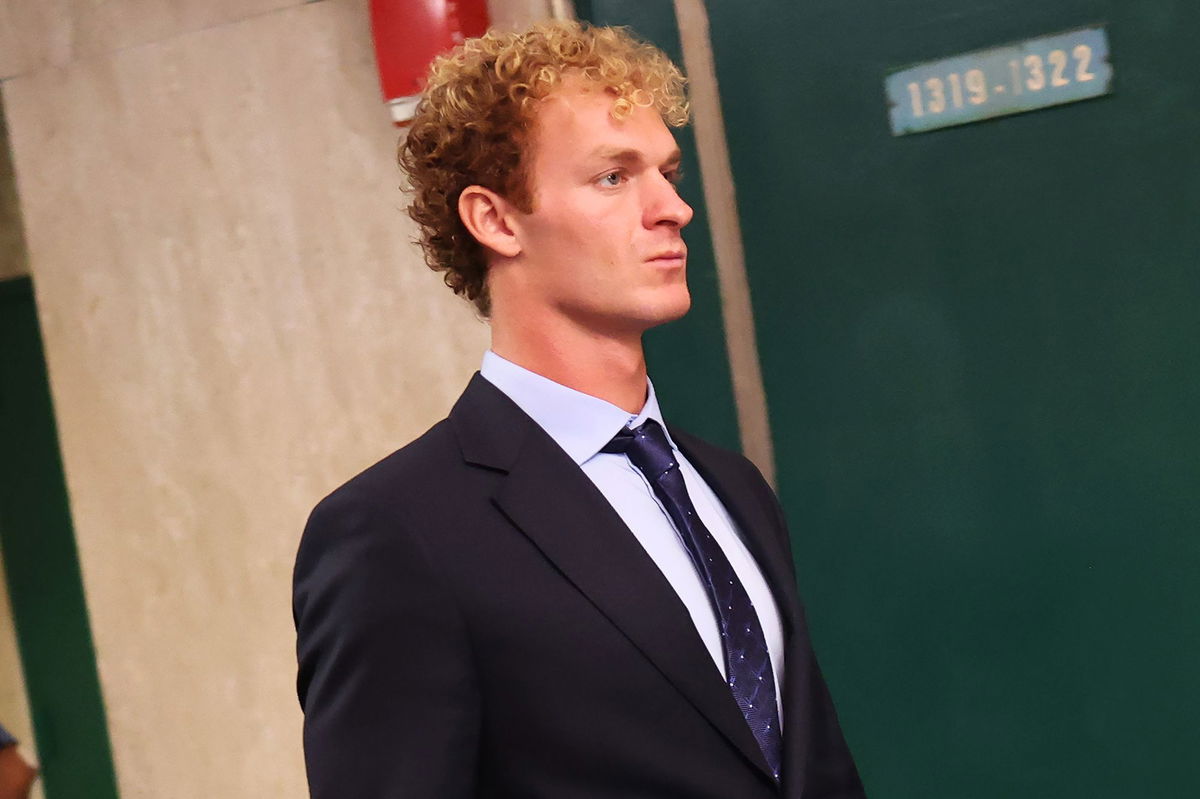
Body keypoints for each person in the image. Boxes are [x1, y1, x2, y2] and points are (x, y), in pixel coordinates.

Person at [293, 20, 865, 798]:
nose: (671, 208)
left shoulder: (733, 487)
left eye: (668, 170)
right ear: (495, 219)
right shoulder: (397, 531)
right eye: (613, 177)